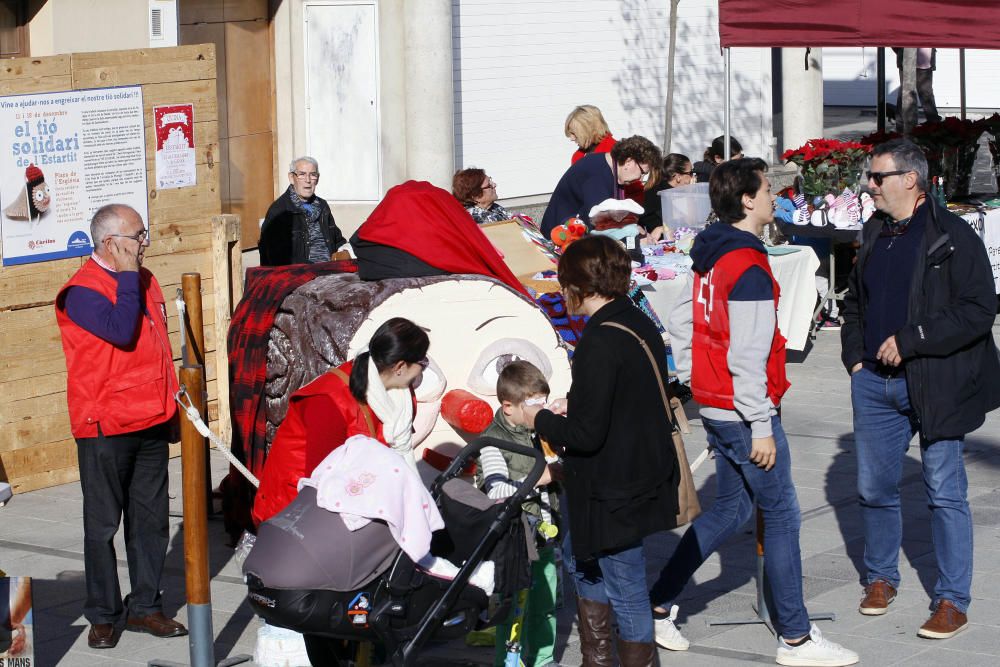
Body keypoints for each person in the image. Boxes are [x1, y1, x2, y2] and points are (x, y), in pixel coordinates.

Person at [652, 159, 858, 666]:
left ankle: (656, 602)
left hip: (720, 405)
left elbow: (681, 317)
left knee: (732, 508)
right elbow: (747, 355)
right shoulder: (746, 265)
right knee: (782, 513)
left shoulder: (712, 252)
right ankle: (795, 637)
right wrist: (760, 423)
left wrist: (698, 376)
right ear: (747, 200)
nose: (774, 197)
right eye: (767, 189)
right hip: (742, 412)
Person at [841, 138, 1000, 638]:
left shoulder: (950, 235)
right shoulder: (873, 232)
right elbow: (854, 302)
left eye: (877, 177)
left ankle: (953, 599)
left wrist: (912, 340)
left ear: (910, 179)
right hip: (874, 385)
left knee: (945, 492)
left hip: (933, 381)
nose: (869, 185)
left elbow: (979, 309)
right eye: (870, 177)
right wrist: (854, 359)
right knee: (873, 488)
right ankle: (881, 577)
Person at [522, 235, 680, 666]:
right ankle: (596, 658)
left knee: (625, 587)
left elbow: (586, 435)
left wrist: (536, 418)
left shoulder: (597, 339)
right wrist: (576, 403)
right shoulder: (635, 318)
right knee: (582, 559)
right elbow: (628, 394)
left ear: (578, 284)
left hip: (613, 487)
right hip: (640, 472)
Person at [54, 204, 188, 649]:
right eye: (138, 236)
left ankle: (146, 606)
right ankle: (104, 613)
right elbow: (120, 330)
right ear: (111, 243)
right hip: (105, 426)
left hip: (150, 418)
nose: (145, 243)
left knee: (150, 523)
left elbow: (159, 347)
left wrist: (172, 409)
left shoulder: (146, 282)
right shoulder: (80, 291)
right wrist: (128, 276)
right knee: (102, 526)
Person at [252, 317, 430, 525]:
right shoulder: (328, 401)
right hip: (297, 510)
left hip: (352, 494)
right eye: (422, 363)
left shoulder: (398, 397)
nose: (423, 370)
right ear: (400, 366)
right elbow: (319, 483)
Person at [476, 360, 561, 667]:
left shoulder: (535, 430)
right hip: (516, 544)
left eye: (544, 402)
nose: (542, 410)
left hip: (545, 538)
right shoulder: (492, 441)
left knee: (546, 605)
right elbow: (497, 490)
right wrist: (546, 475)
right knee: (514, 611)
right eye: (534, 404)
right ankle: (509, 662)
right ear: (508, 406)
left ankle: (543, 658)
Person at [540, 135, 661, 236]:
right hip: (560, 238)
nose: (640, 178)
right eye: (642, 172)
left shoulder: (613, 170)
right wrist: (634, 234)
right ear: (629, 162)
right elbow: (600, 224)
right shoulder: (597, 173)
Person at [259, 156, 346, 266]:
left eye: (313, 175)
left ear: (317, 179)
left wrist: (346, 251)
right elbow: (278, 256)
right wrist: (314, 268)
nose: (308, 180)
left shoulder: (322, 206)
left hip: (329, 270)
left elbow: (337, 240)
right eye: (302, 174)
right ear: (291, 178)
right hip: (299, 273)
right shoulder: (280, 210)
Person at [636, 153, 695, 232]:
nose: (693, 177)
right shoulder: (657, 196)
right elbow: (690, 223)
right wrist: (690, 194)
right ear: (678, 177)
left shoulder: (671, 192)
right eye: (690, 173)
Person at [892, 48, 941, 125]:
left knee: (926, 94)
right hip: (907, 62)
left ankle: (934, 124)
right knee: (906, 94)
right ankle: (902, 124)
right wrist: (900, 50)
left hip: (924, 63)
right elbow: (895, 41)